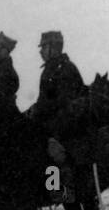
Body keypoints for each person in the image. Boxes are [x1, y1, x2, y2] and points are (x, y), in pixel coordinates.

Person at [28, 31, 86, 200]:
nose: (41, 51)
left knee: (51, 148)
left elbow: (64, 101)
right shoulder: (48, 70)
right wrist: (35, 109)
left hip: (68, 122)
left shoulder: (66, 68)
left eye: (44, 47)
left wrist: (40, 109)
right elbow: (44, 99)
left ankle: (62, 189)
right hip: (53, 120)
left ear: (54, 48)